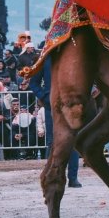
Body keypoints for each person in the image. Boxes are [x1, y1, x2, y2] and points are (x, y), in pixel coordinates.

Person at [29, 58, 81, 187]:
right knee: (53, 142)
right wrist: (45, 97)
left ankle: (73, 177)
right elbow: (33, 83)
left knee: (72, 141)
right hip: (51, 105)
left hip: (71, 104)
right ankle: (54, 176)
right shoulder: (45, 60)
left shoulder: (73, 57)